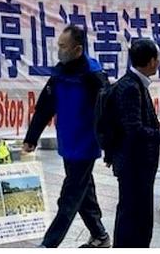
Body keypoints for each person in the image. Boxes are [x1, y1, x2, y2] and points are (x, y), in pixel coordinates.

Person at [23, 26, 111, 248]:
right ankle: (100, 236)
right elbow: (45, 106)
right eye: (59, 45)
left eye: (63, 46)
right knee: (84, 190)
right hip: (67, 140)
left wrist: (111, 144)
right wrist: (32, 137)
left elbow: (108, 110)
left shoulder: (93, 75)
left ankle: (49, 244)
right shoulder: (60, 73)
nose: (59, 50)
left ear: (78, 49)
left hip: (86, 143)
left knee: (69, 195)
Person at [107, 39, 160, 247]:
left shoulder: (135, 84)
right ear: (152, 61)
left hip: (136, 163)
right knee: (134, 216)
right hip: (134, 164)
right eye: (158, 58)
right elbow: (135, 131)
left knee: (136, 213)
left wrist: (154, 123)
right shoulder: (130, 88)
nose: (159, 62)